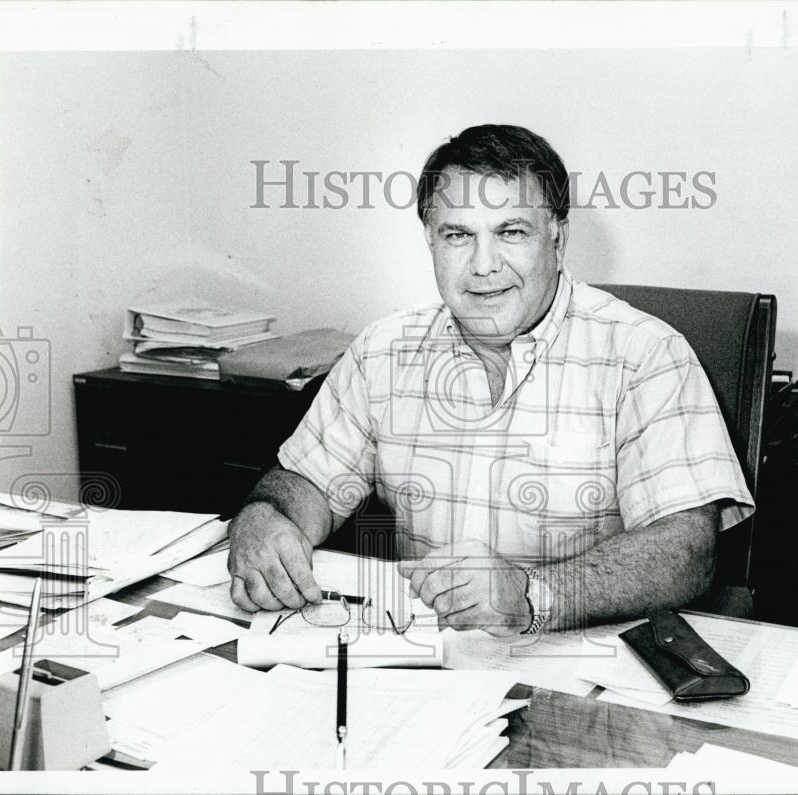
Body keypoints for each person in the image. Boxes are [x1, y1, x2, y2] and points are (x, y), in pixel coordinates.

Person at [228, 124, 753, 635]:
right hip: (428, 656)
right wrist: (265, 516)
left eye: (511, 232)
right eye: (458, 235)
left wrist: (533, 597)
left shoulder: (646, 355)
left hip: (588, 656)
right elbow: (305, 483)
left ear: (557, 238)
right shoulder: (383, 350)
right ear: (430, 241)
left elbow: (685, 549)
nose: (483, 266)